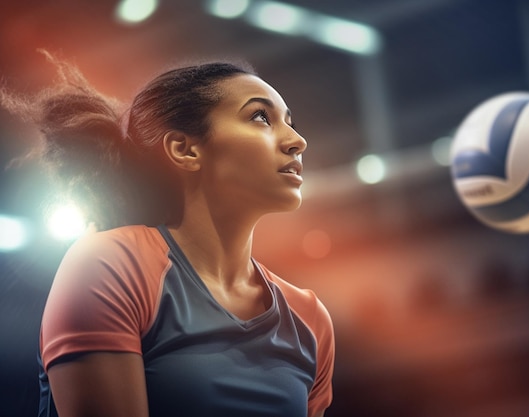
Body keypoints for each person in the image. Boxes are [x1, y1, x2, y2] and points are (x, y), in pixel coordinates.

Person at [1, 51, 334, 417]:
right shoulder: (110, 265)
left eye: (290, 121)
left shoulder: (310, 319)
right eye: (260, 117)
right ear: (184, 149)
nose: (297, 140)